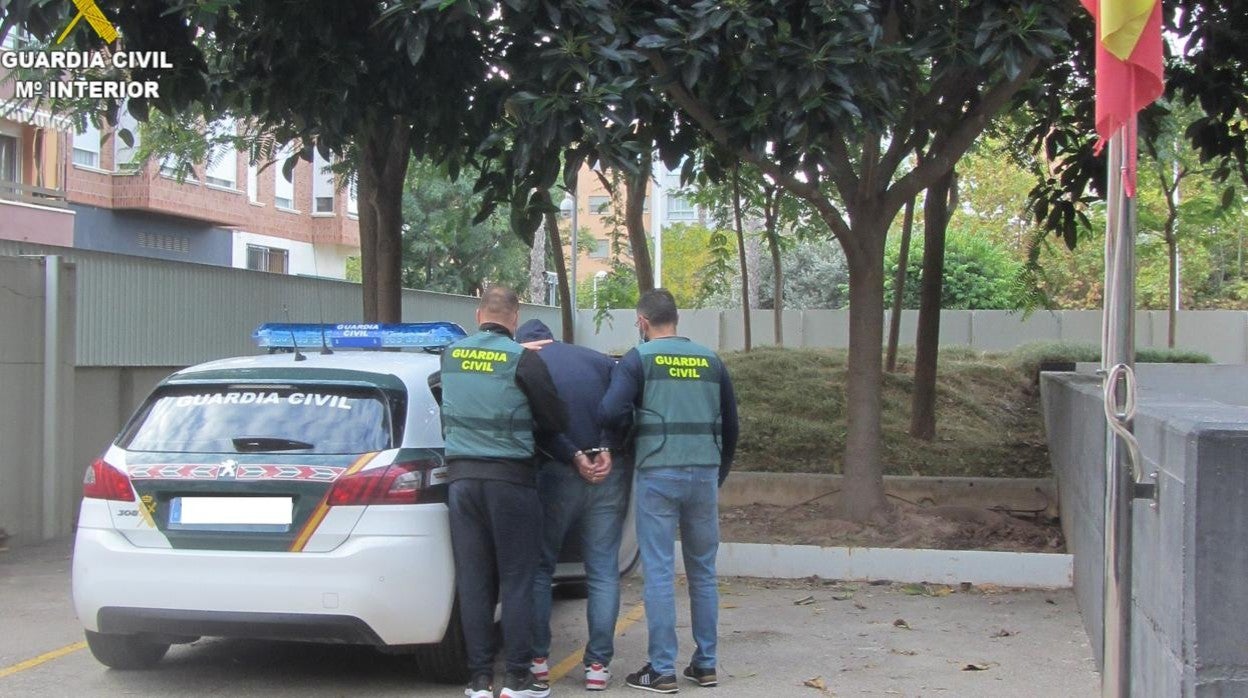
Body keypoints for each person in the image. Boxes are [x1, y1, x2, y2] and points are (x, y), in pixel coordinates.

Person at [435, 286, 577, 698]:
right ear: (514, 318)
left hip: (462, 482)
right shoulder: (523, 360)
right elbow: (555, 420)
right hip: (511, 482)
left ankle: (479, 679)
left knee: (475, 580)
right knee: (517, 579)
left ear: (479, 315)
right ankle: (516, 678)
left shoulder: (450, 356)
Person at [599, 289, 738, 694]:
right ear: (675, 319)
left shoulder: (638, 359)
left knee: (659, 571)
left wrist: (628, 437)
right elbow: (731, 425)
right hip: (703, 475)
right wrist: (717, 473)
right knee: (703, 572)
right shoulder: (711, 360)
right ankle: (706, 665)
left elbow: (609, 411)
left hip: (658, 474)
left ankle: (661, 670)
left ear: (643, 322)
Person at [515, 319, 629, 692]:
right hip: (607, 473)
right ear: (552, 339)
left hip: (556, 472)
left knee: (541, 567)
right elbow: (623, 407)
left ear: (525, 343)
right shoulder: (597, 361)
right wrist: (607, 448)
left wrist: (573, 455)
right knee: (602, 570)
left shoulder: (524, 363)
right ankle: (598, 667)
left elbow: (537, 421)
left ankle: (538, 662)